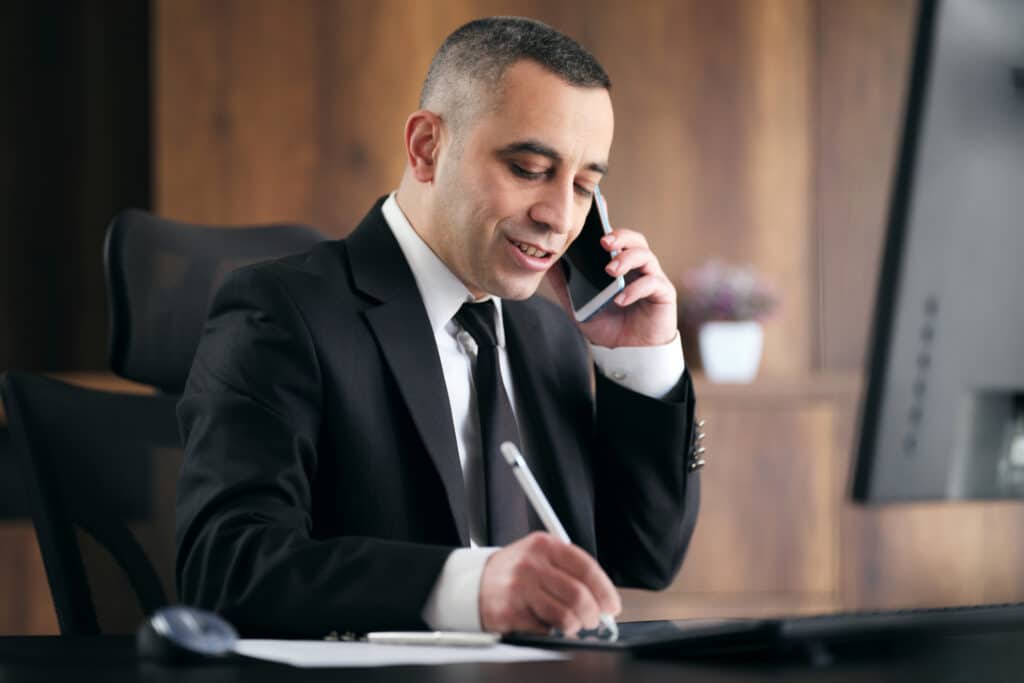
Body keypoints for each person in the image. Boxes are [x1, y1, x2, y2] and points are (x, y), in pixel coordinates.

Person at [175, 16, 701, 639]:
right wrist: (469, 589)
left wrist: (642, 364)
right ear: (427, 148)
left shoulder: (551, 336)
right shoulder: (281, 311)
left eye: (586, 185)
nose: (561, 218)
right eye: (531, 168)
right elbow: (224, 567)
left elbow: (645, 558)